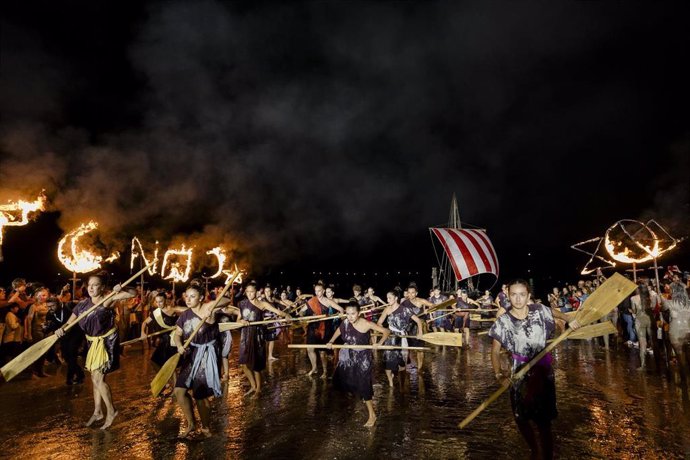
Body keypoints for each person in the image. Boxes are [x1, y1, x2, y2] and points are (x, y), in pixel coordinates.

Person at [489, 279, 579, 460]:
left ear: (528, 296)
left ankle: (546, 454)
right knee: (520, 416)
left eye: (522, 294)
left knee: (544, 421)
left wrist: (570, 319)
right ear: (508, 296)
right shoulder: (504, 321)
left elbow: (554, 312)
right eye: (513, 294)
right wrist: (499, 375)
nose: (518, 299)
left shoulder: (539, 311)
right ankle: (534, 447)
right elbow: (495, 351)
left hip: (543, 373)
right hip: (520, 374)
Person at [55, 274, 136, 429]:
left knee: (99, 379)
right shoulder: (81, 305)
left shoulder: (108, 299)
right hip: (92, 343)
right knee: (94, 378)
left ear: (102, 287)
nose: (91, 288)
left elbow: (133, 294)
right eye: (89, 285)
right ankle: (98, 411)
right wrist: (61, 330)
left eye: (96, 285)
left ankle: (111, 411)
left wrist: (122, 288)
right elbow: (68, 323)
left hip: (106, 341)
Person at [172, 282, 233, 438]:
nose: (189, 299)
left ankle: (205, 427)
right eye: (187, 296)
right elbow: (177, 334)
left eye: (193, 296)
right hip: (191, 354)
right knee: (179, 391)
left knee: (200, 396)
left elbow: (225, 300)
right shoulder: (185, 315)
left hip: (207, 355)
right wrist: (179, 345)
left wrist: (211, 305)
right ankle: (191, 424)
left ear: (200, 298)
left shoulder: (208, 308)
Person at [327, 301, 390, 427]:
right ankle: (355, 402)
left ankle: (372, 415)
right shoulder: (345, 322)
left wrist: (379, 343)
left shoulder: (366, 323)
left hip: (363, 358)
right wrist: (331, 341)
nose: (350, 316)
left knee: (364, 384)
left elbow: (386, 331)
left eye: (353, 314)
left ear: (359, 313)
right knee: (341, 380)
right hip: (349, 357)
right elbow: (339, 331)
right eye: (348, 313)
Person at [238, 283, 291, 397]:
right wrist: (241, 321)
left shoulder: (262, 304)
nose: (250, 294)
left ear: (256, 292)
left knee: (256, 365)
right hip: (245, 336)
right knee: (244, 364)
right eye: (248, 292)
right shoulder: (242, 304)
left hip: (257, 335)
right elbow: (239, 318)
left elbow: (277, 312)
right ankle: (253, 386)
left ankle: (258, 389)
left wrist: (286, 315)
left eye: (252, 291)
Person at [140, 292, 186, 392]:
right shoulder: (156, 312)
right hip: (163, 341)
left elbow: (188, 310)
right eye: (157, 302)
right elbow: (144, 322)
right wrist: (142, 333)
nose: (159, 304)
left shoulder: (172, 309)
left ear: (165, 300)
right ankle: (168, 382)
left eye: (161, 301)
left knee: (171, 366)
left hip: (173, 340)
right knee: (154, 362)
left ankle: (176, 388)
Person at [377, 290, 422, 387]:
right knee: (388, 363)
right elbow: (379, 322)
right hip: (389, 338)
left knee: (402, 364)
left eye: (390, 298)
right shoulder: (387, 309)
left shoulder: (405, 309)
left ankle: (402, 385)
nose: (387, 300)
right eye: (387, 298)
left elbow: (418, 321)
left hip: (402, 338)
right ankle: (391, 383)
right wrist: (384, 331)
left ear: (396, 298)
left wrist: (420, 333)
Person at [299, 282, 344, 378]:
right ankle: (314, 367)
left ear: (323, 291)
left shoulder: (328, 301)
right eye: (315, 291)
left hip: (324, 330)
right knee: (310, 349)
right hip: (312, 328)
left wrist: (341, 313)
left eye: (319, 291)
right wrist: (303, 316)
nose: (317, 293)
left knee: (322, 352)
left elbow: (341, 309)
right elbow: (301, 311)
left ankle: (324, 371)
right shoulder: (312, 300)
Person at [631, 284, 659, 370]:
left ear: (638, 290)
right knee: (654, 341)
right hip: (650, 320)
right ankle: (658, 364)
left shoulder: (633, 298)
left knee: (642, 342)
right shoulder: (652, 297)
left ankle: (643, 365)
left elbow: (634, 311)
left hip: (639, 321)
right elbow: (654, 308)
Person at [24, 287, 50, 377]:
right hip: (37, 331)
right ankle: (31, 372)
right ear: (37, 296)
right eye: (42, 295)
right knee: (35, 352)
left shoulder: (48, 305)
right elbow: (29, 321)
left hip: (46, 331)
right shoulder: (33, 306)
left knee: (44, 352)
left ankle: (40, 371)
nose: (45, 297)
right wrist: (28, 333)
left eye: (46, 295)